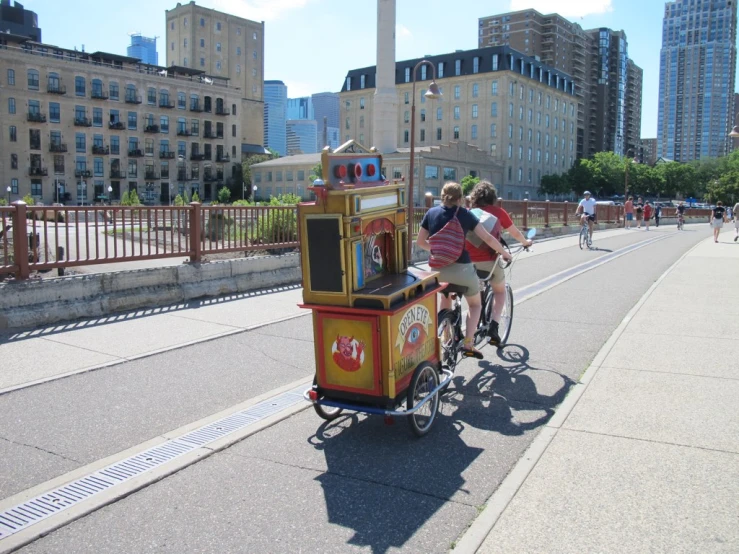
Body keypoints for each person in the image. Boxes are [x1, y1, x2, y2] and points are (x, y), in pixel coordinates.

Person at [417, 182, 512, 359]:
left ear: (442, 196)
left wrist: (440, 250)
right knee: (475, 304)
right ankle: (468, 343)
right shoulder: (465, 215)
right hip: (462, 269)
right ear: (461, 199)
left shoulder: (431, 213)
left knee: (445, 298)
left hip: (437, 270)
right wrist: (505, 253)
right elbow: (487, 238)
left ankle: (445, 338)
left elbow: (421, 242)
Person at [466, 181, 533, 345]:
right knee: (500, 291)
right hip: (489, 262)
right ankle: (494, 326)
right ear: (493, 197)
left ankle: (468, 334)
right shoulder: (499, 212)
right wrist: (525, 242)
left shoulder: (468, 212)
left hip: (466, 263)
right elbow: (515, 232)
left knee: (472, 300)